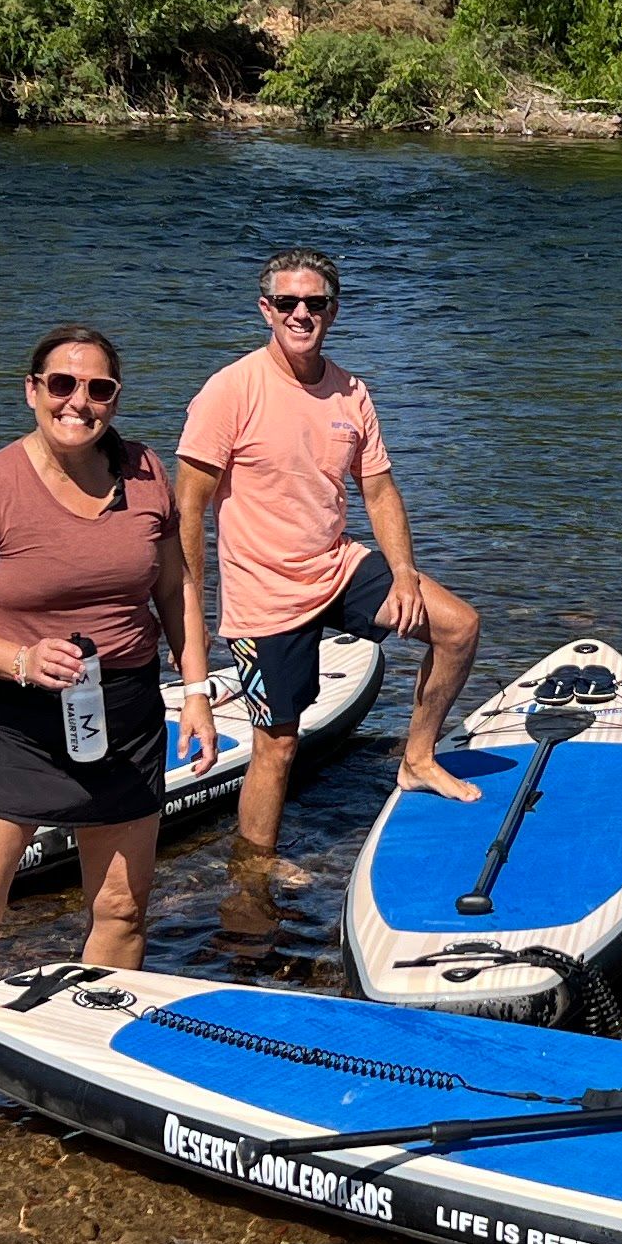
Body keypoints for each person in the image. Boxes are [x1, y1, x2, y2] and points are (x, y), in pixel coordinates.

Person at [0, 325, 215, 1125]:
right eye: (62, 385)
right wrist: (17, 660)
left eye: (98, 388)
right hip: (8, 715)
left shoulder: (148, 476)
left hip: (124, 711)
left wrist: (198, 689)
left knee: (120, 909)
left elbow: (176, 590)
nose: (80, 403)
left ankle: (82, 1056)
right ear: (32, 389)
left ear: (116, 397)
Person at [177, 248, 483, 916]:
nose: (301, 314)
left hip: (338, 565)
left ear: (333, 311)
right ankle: (251, 875)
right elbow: (189, 506)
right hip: (264, 595)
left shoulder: (351, 391)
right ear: (266, 309)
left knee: (457, 627)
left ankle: (417, 758)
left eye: (315, 303)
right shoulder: (232, 389)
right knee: (277, 745)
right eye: (288, 303)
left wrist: (402, 572)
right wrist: (193, 612)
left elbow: (377, 490)